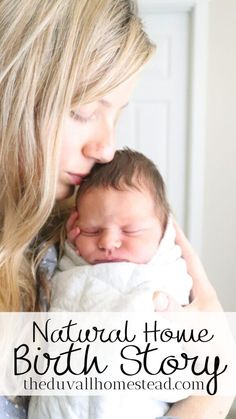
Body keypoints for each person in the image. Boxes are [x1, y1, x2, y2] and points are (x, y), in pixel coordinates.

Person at [0, 0, 233, 418]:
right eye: (82, 110)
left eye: (117, 115)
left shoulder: (54, 247)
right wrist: (208, 400)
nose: (105, 148)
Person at [28, 148, 193, 419]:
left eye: (130, 231)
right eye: (91, 230)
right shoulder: (70, 268)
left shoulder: (167, 277)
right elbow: (64, 285)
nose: (107, 243)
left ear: (164, 231)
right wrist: (72, 246)